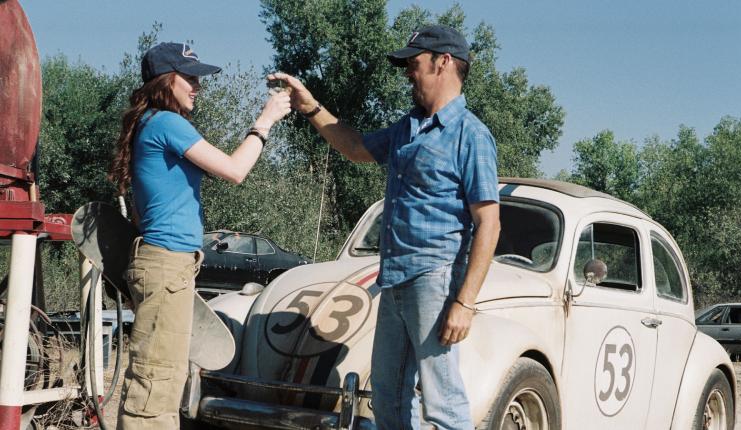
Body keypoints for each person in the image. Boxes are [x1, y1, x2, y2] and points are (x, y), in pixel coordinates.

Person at [271, 24, 500, 430]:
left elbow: (489, 224)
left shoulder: (471, 135)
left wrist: (464, 303)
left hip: (436, 279)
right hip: (393, 278)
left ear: (443, 62)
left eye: (414, 64)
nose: (407, 73)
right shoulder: (406, 127)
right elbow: (355, 147)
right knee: (389, 400)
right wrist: (309, 106)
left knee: (442, 404)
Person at [108, 42, 291, 430]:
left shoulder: (149, 124)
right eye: (189, 77)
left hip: (165, 264)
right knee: (155, 387)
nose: (197, 86)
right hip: (167, 265)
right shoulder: (167, 123)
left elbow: (143, 209)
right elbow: (235, 170)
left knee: (161, 379)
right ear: (165, 80)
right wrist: (266, 120)